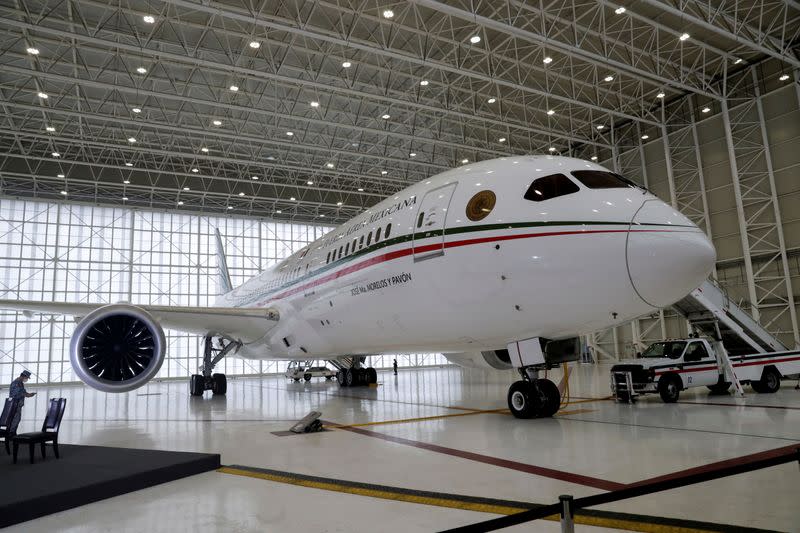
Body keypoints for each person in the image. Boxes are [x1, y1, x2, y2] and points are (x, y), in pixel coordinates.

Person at [8, 370, 35, 434]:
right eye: (27, 378)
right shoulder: (16, 383)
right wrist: (27, 394)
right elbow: (17, 393)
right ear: (23, 376)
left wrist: (29, 394)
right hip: (15, 404)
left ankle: (13, 432)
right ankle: (11, 433)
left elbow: (23, 392)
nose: (27, 379)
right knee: (15, 419)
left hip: (18, 404)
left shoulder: (20, 383)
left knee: (16, 419)